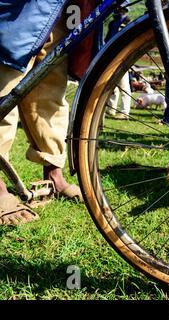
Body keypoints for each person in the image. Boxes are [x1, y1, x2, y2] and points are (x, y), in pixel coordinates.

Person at [0, 1, 83, 225]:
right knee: (5, 79)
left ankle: (54, 174)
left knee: (51, 91)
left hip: (63, 8)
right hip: (21, 7)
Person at [104, 3, 132, 120]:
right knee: (112, 85)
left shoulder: (128, 22)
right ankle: (111, 109)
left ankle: (124, 112)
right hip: (111, 56)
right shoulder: (112, 23)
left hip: (122, 57)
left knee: (124, 86)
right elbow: (107, 39)